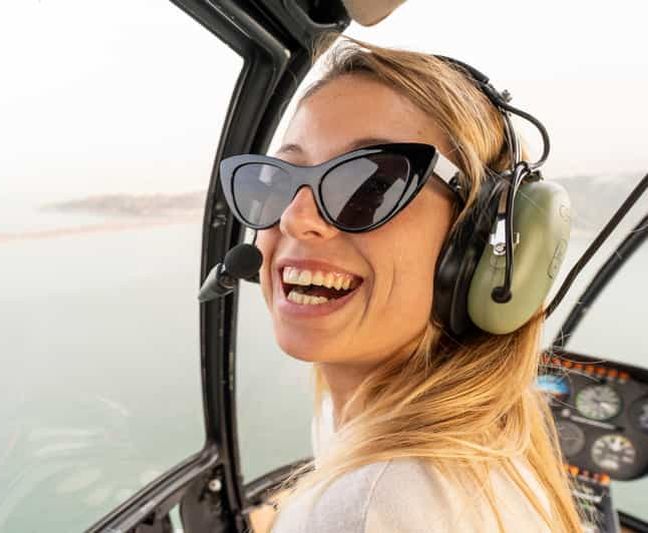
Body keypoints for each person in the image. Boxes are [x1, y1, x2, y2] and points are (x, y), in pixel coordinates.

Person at [227, 38, 584, 532]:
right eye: (281, 180)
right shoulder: (467, 438)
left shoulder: (372, 505)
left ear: (478, 245)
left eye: (371, 185)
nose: (295, 218)